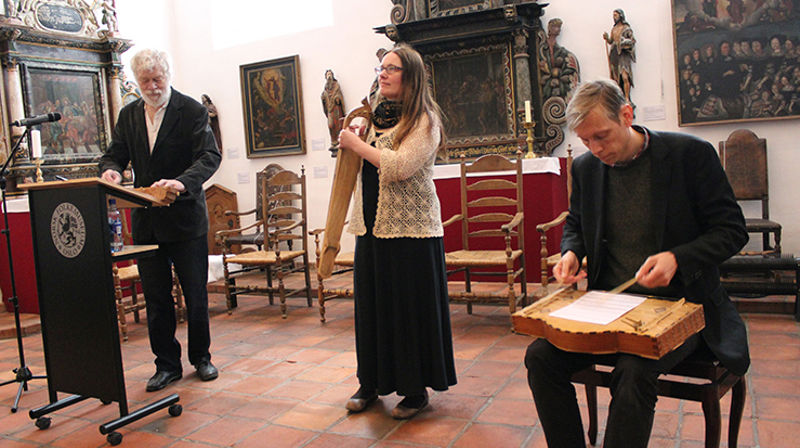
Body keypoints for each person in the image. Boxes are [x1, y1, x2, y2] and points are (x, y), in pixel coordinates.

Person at [524, 79, 750, 448]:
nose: (596, 149)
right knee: (540, 358)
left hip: (680, 307)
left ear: (627, 115)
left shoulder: (689, 155)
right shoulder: (586, 168)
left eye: (602, 136)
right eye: (586, 140)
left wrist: (678, 258)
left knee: (633, 371)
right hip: (610, 307)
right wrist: (571, 252)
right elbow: (576, 224)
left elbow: (732, 231)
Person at [336, 43, 457, 420]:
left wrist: (357, 143)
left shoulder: (425, 120)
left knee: (407, 311)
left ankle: (414, 390)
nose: (382, 74)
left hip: (411, 230)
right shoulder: (372, 117)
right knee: (371, 307)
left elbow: (401, 166)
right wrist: (355, 131)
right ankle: (369, 382)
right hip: (371, 225)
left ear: (412, 76)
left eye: (391, 68)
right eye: (381, 68)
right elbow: (360, 162)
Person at [100, 48, 221, 392]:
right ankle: (166, 365)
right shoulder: (129, 115)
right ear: (137, 82)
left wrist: (182, 182)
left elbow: (210, 155)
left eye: (158, 79)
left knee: (195, 295)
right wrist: (110, 171)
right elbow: (114, 154)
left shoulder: (192, 110)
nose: (152, 86)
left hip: (185, 219)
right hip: (148, 221)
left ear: (168, 76)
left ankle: (202, 358)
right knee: (156, 297)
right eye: (145, 81)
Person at [603, 9, 636, 110]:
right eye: (613, 15)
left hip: (623, 55)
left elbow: (632, 40)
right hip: (614, 55)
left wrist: (623, 43)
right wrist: (607, 38)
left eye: (616, 15)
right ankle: (619, 97)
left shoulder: (626, 28)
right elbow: (611, 41)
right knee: (616, 79)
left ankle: (627, 98)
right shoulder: (614, 29)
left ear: (621, 16)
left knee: (625, 76)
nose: (614, 17)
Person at [320, 69, 345, 156]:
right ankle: (333, 141)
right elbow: (324, 96)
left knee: (337, 124)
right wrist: (323, 98)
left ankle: (338, 140)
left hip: (336, 109)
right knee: (330, 125)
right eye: (327, 75)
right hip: (329, 110)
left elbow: (339, 95)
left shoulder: (336, 85)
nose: (329, 76)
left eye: (330, 74)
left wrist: (337, 98)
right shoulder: (326, 88)